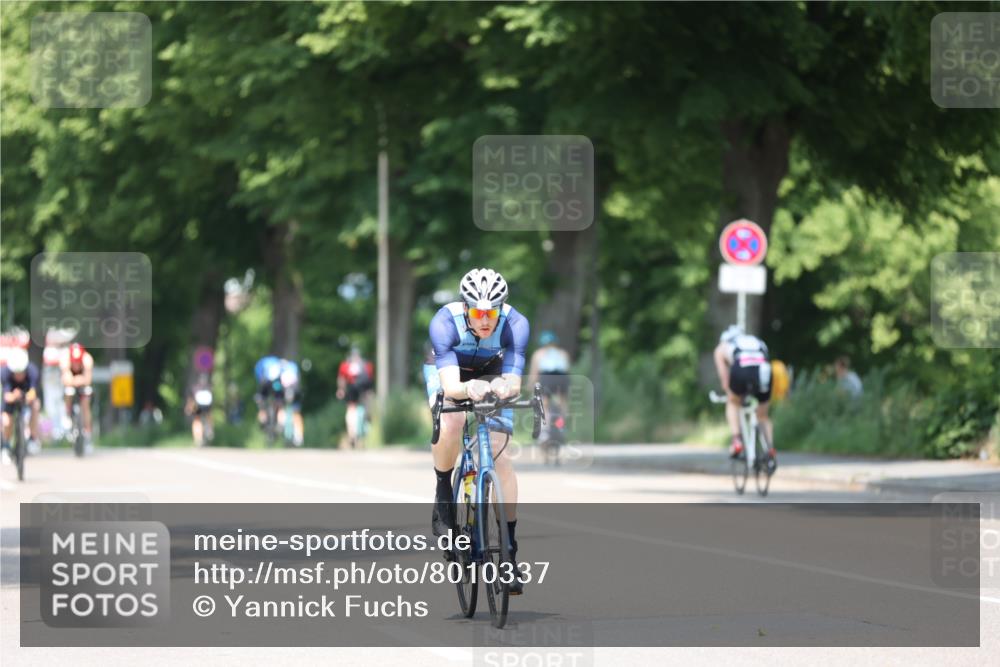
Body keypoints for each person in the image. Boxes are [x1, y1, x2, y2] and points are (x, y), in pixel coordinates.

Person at [424, 268, 529, 594]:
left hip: (492, 370)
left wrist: (502, 386)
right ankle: (444, 491)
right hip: (451, 371)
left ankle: (509, 551)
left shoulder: (516, 325)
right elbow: (452, 386)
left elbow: (513, 381)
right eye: (478, 312)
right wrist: (469, 389)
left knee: (501, 455)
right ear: (466, 307)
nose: (485, 319)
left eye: (492, 312)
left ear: (501, 309)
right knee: (453, 422)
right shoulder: (444, 323)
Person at [713, 325, 775, 463]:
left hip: (741, 368)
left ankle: (736, 441)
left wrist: (732, 394)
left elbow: (725, 381)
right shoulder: (757, 341)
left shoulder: (722, 347)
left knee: (732, 402)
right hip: (764, 370)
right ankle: (770, 449)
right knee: (763, 415)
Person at [527, 330, 571, 439]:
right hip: (562, 378)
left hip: (546, 378)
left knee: (544, 404)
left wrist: (530, 385)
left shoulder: (539, 353)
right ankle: (561, 426)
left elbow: (534, 373)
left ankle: (545, 430)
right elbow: (567, 370)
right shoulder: (563, 353)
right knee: (562, 403)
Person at [1, 348, 41, 463]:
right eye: (16, 373)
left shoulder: (32, 371)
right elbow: (6, 396)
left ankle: (33, 438)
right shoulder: (4, 373)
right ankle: (6, 446)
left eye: (21, 372)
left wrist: (25, 396)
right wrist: (14, 396)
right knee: (7, 421)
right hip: (11, 398)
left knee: (36, 406)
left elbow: (33, 392)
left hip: (26, 395)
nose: (19, 376)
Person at [337, 347, 373, 449]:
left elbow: (342, 379)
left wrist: (341, 390)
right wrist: (370, 392)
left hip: (351, 389)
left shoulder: (345, 365)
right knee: (366, 410)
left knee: (351, 410)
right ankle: (365, 431)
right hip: (364, 391)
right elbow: (370, 379)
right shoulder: (366, 364)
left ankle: (352, 434)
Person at [60, 342, 94, 449]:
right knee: (68, 392)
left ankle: (87, 432)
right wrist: (74, 380)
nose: (75, 365)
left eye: (78, 362)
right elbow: (66, 379)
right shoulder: (65, 359)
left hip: (82, 382)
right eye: (74, 362)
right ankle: (67, 413)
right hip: (71, 382)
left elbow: (88, 379)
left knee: (85, 403)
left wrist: (80, 380)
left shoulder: (87, 360)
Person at [253, 355, 284, 429]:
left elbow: (257, 372)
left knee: (261, 403)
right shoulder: (276, 360)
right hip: (276, 384)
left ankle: (262, 421)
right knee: (280, 402)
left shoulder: (262, 362)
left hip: (265, 383)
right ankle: (280, 423)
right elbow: (282, 372)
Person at [279, 358, 304, 446]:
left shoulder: (281, 368)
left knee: (283, 410)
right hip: (294, 390)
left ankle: (283, 426)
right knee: (295, 413)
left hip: (289, 391)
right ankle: (298, 435)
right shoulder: (293, 366)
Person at [185, 373, 214, 446]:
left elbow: (191, 400)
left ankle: (199, 437)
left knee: (197, 420)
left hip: (199, 407)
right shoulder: (208, 388)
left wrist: (188, 408)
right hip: (204, 407)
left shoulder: (196, 388)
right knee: (204, 418)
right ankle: (207, 431)